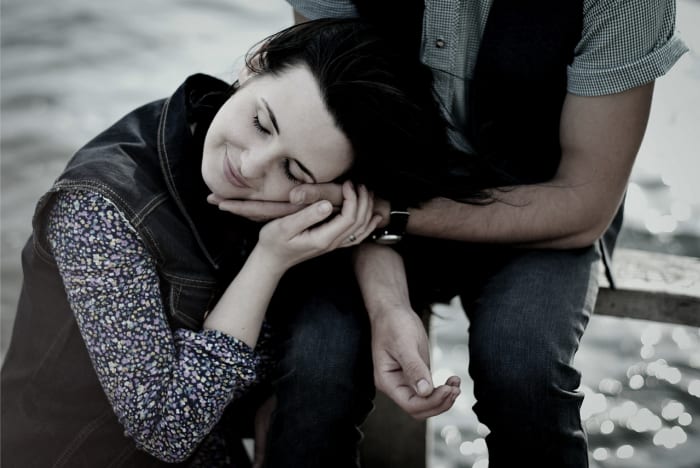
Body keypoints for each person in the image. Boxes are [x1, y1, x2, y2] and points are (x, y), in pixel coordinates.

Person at [213, 1, 689, 466]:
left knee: (522, 364)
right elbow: (330, 158)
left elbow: (583, 205)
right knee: (318, 361)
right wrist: (389, 301)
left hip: (543, 210)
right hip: (368, 198)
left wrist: (392, 215)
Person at [0, 18, 489, 467]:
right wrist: (269, 259)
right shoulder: (102, 207)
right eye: (261, 123)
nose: (251, 166)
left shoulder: (297, 211)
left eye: (293, 169)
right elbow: (168, 429)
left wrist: (386, 301)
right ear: (253, 69)